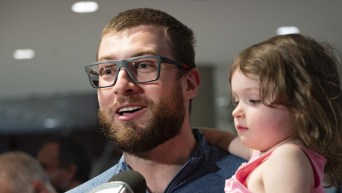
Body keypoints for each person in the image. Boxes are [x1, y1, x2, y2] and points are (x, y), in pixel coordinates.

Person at [67, 7, 244, 193]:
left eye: (143, 65)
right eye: (108, 71)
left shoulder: (258, 181)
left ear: (189, 84)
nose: (120, 85)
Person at [201, 34, 342, 193]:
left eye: (253, 100)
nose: (236, 111)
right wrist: (194, 134)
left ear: (301, 106)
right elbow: (223, 139)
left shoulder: (286, 159)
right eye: (236, 101)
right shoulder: (266, 154)